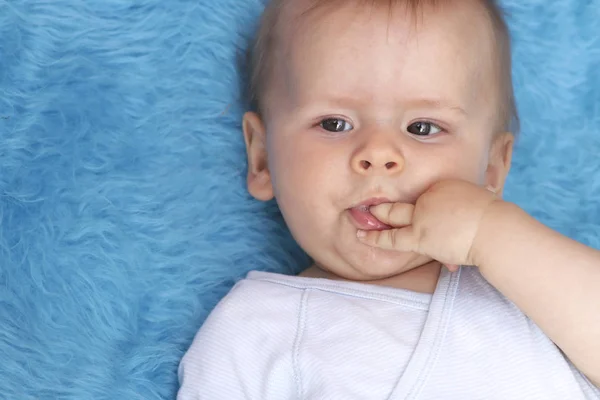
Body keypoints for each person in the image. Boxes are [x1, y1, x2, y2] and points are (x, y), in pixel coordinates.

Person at [177, 0, 600, 398]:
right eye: (335, 123)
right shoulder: (254, 327)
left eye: (422, 128)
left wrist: (491, 234)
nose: (378, 154)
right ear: (263, 158)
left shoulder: (528, 285)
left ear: (491, 168)